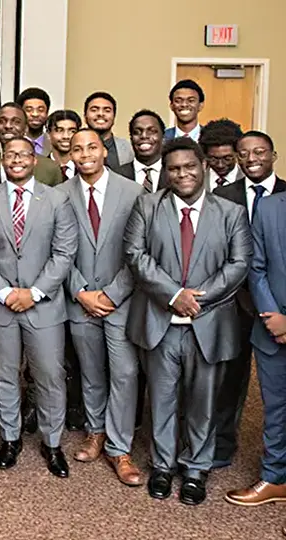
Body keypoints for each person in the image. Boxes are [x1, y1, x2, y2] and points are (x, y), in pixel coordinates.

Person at [124, 137, 251, 505]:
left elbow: (239, 264)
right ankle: (163, 466)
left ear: (204, 167)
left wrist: (198, 298)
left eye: (190, 167)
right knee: (162, 399)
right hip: (159, 321)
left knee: (203, 401)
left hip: (208, 323)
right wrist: (173, 295)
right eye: (175, 169)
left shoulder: (230, 213)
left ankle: (196, 468)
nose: (183, 174)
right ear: (166, 172)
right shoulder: (147, 206)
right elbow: (135, 254)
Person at [0, 137, 77, 477]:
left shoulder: (57, 199)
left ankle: (52, 442)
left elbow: (64, 253)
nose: (16, 160)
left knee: (50, 376)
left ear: (35, 159)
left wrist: (35, 292)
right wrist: (2, 292)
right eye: (10, 154)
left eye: (23, 155)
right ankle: (10, 438)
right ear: (2, 160)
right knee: (4, 375)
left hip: (43, 305)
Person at [58, 129, 144, 486]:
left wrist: (112, 293)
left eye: (91, 147)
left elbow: (140, 250)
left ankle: (120, 448)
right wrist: (80, 292)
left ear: (104, 151)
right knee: (91, 372)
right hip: (80, 301)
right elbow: (57, 250)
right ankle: (96, 432)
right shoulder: (59, 196)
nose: (85, 153)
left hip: (121, 300)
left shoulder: (135, 192)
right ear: (70, 156)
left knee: (124, 373)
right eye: (77, 149)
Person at [212, 131, 285, 469]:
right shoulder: (223, 195)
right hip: (234, 303)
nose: (252, 158)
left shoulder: (285, 194)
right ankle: (222, 447)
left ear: (273, 155)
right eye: (244, 153)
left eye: (260, 151)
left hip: (276, 307)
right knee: (229, 380)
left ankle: (275, 462)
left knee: (276, 392)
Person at [226, 159, 286, 507]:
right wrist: (273, 316)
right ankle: (275, 477)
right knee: (275, 408)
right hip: (271, 326)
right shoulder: (269, 206)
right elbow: (257, 265)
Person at [0, 103, 62, 186]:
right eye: (2, 121)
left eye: (16, 122)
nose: (8, 126)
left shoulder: (50, 168)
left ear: (25, 128)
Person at [113, 110, 167, 192]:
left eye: (151, 131)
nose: (144, 136)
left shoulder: (174, 174)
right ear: (131, 139)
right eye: (137, 132)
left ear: (163, 138)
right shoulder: (116, 175)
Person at [83, 92, 133, 168]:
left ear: (114, 117)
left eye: (107, 110)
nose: (100, 114)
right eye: (94, 110)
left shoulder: (129, 148)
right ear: (85, 116)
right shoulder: (74, 147)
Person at [201, 118, 245, 191]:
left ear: (237, 153)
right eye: (213, 159)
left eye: (227, 158)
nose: (220, 165)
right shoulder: (196, 181)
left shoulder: (249, 180)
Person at [46, 110, 81, 181]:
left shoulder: (85, 168)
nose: (66, 136)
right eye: (59, 130)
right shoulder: (38, 168)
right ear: (48, 134)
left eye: (72, 131)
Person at [17, 87, 51, 155]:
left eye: (40, 110)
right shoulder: (5, 145)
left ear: (47, 113)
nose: (35, 114)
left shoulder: (54, 144)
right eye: (29, 110)